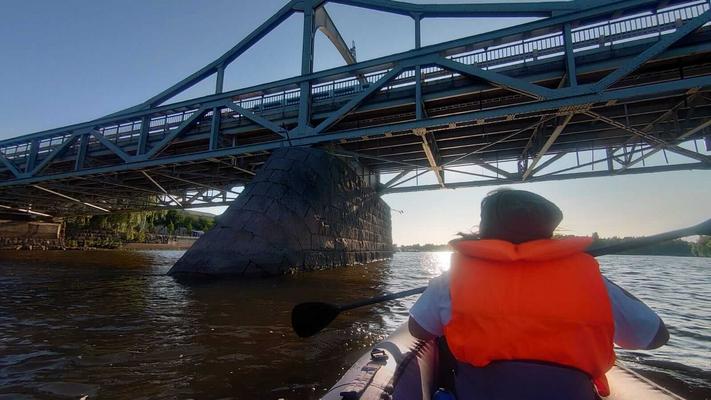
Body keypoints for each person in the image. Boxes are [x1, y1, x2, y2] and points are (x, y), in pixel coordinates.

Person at [408, 189, 669, 400]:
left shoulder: (452, 280)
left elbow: (418, 330)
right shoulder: (591, 280)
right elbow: (655, 337)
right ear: (550, 232)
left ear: (483, 229)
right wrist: (596, 280)